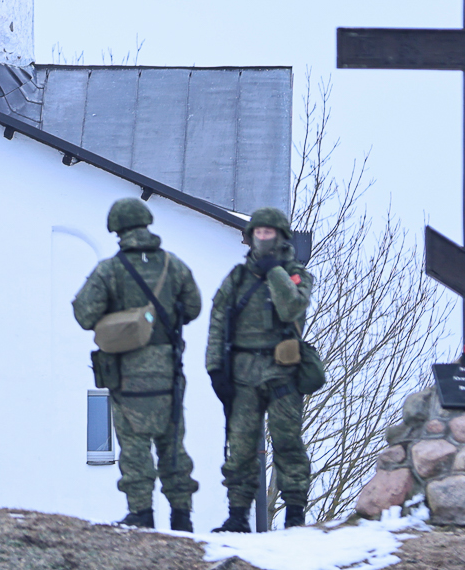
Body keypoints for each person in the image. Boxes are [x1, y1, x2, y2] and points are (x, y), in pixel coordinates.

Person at [73, 197, 203, 531]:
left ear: (116, 228)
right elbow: (193, 308)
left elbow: (85, 315)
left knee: (134, 446)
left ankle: (142, 514)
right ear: (147, 223)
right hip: (168, 370)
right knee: (172, 444)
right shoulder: (173, 265)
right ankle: (182, 517)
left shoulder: (109, 270)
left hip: (125, 373)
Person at [205, 206, 313, 531]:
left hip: (283, 371)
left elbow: (292, 305)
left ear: (280, 236)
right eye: (258, 232)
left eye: (268, 233)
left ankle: (295, 515)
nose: (262, 238)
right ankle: (237, 515)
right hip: (243, 373)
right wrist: (214, 368)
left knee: (288, 443)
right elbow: (218, 320)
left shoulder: (296, 273)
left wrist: (275, 272)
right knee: (239, 445)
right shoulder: (237, 278)